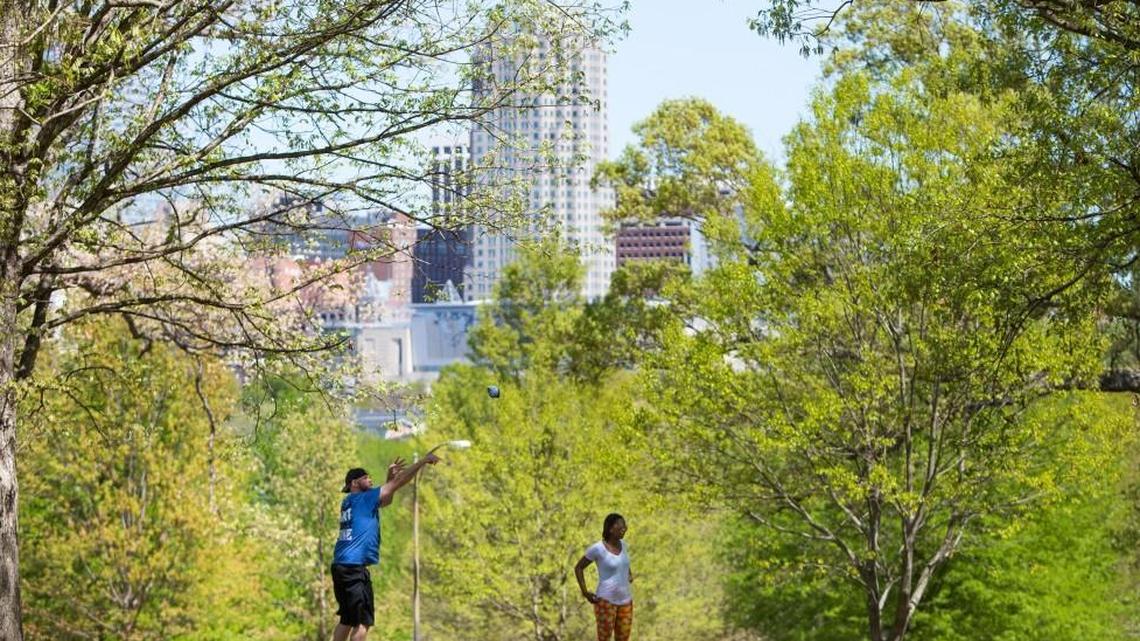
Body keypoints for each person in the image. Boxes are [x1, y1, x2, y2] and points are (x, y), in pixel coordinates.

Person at [331, 453, 440, 641]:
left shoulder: (349, 501)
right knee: (362, 622)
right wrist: (422, 461)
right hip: (354, 568)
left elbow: (386, 499)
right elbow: (400, 482)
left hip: (342, 567)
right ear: (354, 483)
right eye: (365, 477)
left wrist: (389, 479)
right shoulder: (363, 499)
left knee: (347, 619)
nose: (370, 479)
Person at [574, 513, 634, 641]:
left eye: (625, 525)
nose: (625, 528)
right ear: (611, 529)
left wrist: (628, 574)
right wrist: (585, 592)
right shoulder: (597, 549)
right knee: (604, 638)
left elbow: (624, 562)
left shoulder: (624, 545)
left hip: (626, 602)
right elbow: (578, 568)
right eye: (621, 525)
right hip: (606, 602)